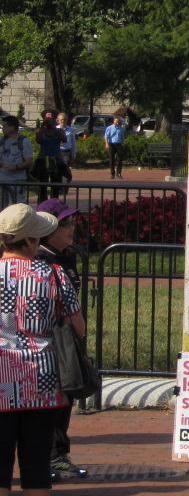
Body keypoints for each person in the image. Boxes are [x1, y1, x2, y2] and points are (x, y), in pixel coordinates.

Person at [0, 203, 85, 496]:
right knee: (36, 459)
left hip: (1, 381)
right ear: (33, 240)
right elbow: (77, 326)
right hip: (43, 380)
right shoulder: (52, 275)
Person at [34, 200, 88, 481]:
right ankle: (53, 456)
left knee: (65, 397)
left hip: (67, 336)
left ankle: (57, 455)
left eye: (71, 222)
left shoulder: (65, 257)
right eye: (64, 224)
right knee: (56, 399)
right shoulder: (42, 260)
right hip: (51, 339)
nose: (71, 228)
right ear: (47, 228)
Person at [0, 116, 33, 206]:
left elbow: (29, 162)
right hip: (2, 181)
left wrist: (16, 167)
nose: (3, 128)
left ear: (13, 127)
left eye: (5, 126)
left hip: (17, 181)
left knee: (17, 208)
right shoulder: (1, 141)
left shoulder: (23, 141)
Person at [33, 114, 63, 203]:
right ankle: (42, 204)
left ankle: (54, 203)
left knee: (55, 184)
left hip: (55, 159)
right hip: (43, 159)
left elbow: (64, 139)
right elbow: (38, 140)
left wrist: (57, 130)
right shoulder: (41, 131)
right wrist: (42, 128)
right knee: (42, 184)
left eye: (51, 122)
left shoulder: (59, 131)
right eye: (47, 122)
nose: (49, 124)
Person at [55, 114, 74, 198]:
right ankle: (60, 187)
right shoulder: (55, 129)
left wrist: (74, 154)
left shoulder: (71, 129)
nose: (63, 121)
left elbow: (73, 143)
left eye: (65, 120)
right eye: (61, 120)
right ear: (58, 120)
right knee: (58, 170)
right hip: (58, 151)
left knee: (65, 168)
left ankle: (65, 186)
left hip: (67, 152)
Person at [103, 115, 126, 180]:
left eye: (118, 121)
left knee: (120, 159)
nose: (117, 122)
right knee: (112, 159)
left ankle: (118, 173)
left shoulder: (121, 128)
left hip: (119, 144)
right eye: (116, 120)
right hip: (111, 144)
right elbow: (106, 136)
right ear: (114, 120)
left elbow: (122, 137)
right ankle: (112, 174)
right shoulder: (109, 128)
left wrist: (122, 143)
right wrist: (106, 144)